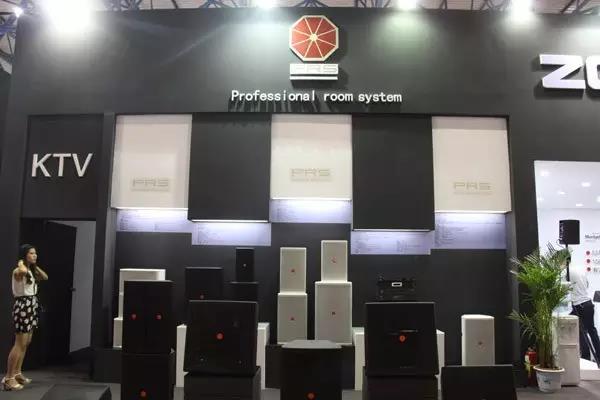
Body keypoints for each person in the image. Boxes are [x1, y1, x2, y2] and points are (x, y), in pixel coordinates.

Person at [2, 244, 48, 391]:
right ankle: (8, 378)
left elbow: (45, 277)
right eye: (31, 253)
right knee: (19, 343)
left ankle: (17, 373)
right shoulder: (18, 270)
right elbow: (21, 270)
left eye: (35, 253)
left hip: (31, 305)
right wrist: (21, 262)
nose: (35, 255)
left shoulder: (30, 271)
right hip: (23, 306)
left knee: (26, 342)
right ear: (24, 255)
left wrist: (34, 266)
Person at [569, 257, 600, 362]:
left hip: (579, 305)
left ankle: (586, 357)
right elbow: (587, 284)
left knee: (581, 332)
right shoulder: (579, 269)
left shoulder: (568, 272)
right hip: (588, 303)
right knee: (591, 331)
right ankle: (597, 356)